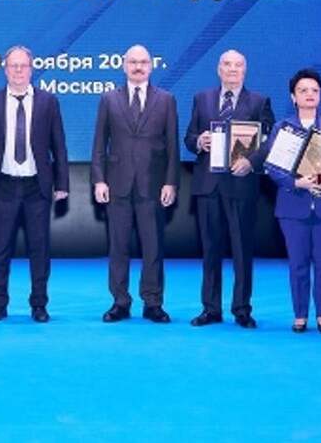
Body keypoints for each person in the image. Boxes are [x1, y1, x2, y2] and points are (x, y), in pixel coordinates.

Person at [0, 46, 69, 323]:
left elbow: (59, 145)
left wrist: (62, 183)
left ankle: (39, 305)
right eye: (13, 66)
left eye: (23, 65)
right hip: (2, 186)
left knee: (40, 249)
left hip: (38, 187)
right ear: (5, 70)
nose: (18, 70)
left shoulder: (49, 102)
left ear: (31, 69)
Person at [184, 49, 274, 328]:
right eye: (227, 64)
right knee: (210, 250)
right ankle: (210, 309)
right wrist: (199, 141)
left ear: (245, 70)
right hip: (208, 185)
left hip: (241, 184)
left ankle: (242, 309)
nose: (232, 69)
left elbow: (269, 142)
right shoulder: (201, 98)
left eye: (238, 65)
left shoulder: (259, 101)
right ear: (218, 69)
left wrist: (251, 161)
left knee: (242, 250)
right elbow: (188, 137)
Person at [91, 44, 179, 323]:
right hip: (116, 185)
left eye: (143, 62)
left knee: (153, 247)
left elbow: (173, 146)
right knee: (118, 247)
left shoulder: (166, 100)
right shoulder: (108, 99)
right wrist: (99, 180)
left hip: (153, 185)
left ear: (151, 66)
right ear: (124, 66)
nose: (138, 67)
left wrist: (171, 182)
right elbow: (99, 144)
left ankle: (153, 302)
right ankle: (120, 301)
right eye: (133, 62)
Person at [263, 69, 321, 333]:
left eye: (314, 90)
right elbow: (272, 167)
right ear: (293, 97)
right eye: (303, 90)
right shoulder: (283, 128)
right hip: (293, 206)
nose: (309, 94)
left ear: (320, 95)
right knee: (297, 264)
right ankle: (300, 315)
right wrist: (295, 183)